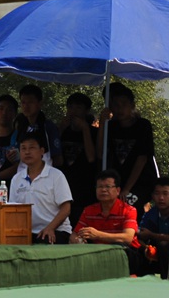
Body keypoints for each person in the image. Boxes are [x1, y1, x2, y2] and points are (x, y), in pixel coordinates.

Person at [98, 82, 158, 220]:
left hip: (141, 181)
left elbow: (142, 158)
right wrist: (102, 124)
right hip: (119, 182)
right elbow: (100, 153)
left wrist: (126, 189)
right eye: (116, 105)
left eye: (124, 104)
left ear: (132, 105)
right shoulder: (111, 127)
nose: (120, 109)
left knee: (128, 206)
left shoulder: (143, 125)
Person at [70, 169, 140, 275]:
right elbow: (74, 234)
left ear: (118, 190)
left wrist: (98, 235)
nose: (103, 190)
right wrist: (78, 241)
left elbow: (127, 238)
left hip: (126, 254)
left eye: (108, 187)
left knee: (119, 248)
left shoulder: (129, 210)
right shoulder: (88, 210)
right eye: (99, 187)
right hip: (97, 253)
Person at [9, 132, 73, 244]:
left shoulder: (56, 175)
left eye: (32, 148)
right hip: (27, 232)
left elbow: (66, 208)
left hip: (56, 230)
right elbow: (12, 210)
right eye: (23, 148)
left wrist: (50, 228)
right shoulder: (16, 179)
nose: (27, 152)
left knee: (44, 241)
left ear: (42, 151)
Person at [58, 92, 97, 226]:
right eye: (70, 107)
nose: (73, 111)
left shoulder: (93, 132)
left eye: (78, 108)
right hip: (64, 186)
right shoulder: (62, 130)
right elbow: (54, 154)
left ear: (86, 111)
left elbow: (91, 157)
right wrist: (61, 129)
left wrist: (85, 129)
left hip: (85, 188)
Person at [14, 85, 63, 169]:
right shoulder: (20, 126)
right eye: (23, 102)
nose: (26, 106)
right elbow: (18, 156)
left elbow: (58, 159)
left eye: (30, 102)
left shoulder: (48, 126)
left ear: (40, 103)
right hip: (23, 174)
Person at [137, 177, 169, 279]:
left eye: (165, 193)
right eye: (157, 193)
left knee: (163, 244)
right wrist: (146, 248)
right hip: (158, 252)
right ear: (152, 196)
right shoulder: (151, 214)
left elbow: (149, 234)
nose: (161, 198)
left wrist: (151, 235)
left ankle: (165, 280)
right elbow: (140, 234)